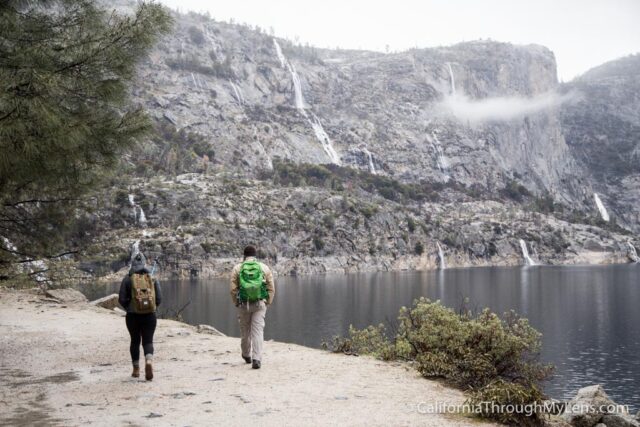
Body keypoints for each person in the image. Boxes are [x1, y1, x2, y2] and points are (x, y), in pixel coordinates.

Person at [230, 245, 275, 369]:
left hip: (243, 303)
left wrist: (236, 302)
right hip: (260, 303)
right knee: (257, 331)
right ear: (255, 256)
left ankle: (246, 354)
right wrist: (268, 302)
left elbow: (233, 289)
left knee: (245, 331)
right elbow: (271, 288)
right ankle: (256, 359)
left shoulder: (237, 268)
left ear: (244, 256)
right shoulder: (264, 267)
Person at [118, 252, 162, 381]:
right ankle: (148, 361)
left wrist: (129, 307)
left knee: (135, 341)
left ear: (132, 263)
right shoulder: (151, 277)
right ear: (144, 263)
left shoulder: (127, 278)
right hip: (150, 316)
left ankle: (136, 369)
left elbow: (121, 299)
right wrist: (152, 308)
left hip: (132, 316)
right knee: (148, 341)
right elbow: (159, 298)